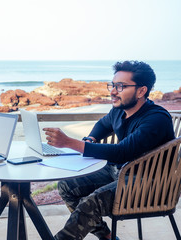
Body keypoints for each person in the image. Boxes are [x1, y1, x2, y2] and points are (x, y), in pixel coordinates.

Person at [43, 60, 175, 240]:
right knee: (67, 186)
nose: (112, 91)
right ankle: (107, 236)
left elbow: (123, 152)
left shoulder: (156, 119)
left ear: (141, 91)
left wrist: (70, 143)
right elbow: (103, 124)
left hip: (150, 184)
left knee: (92, 202)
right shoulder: (119, 111)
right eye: (113, 85)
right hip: (122, 171)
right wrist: (90, 139)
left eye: (120, 86)